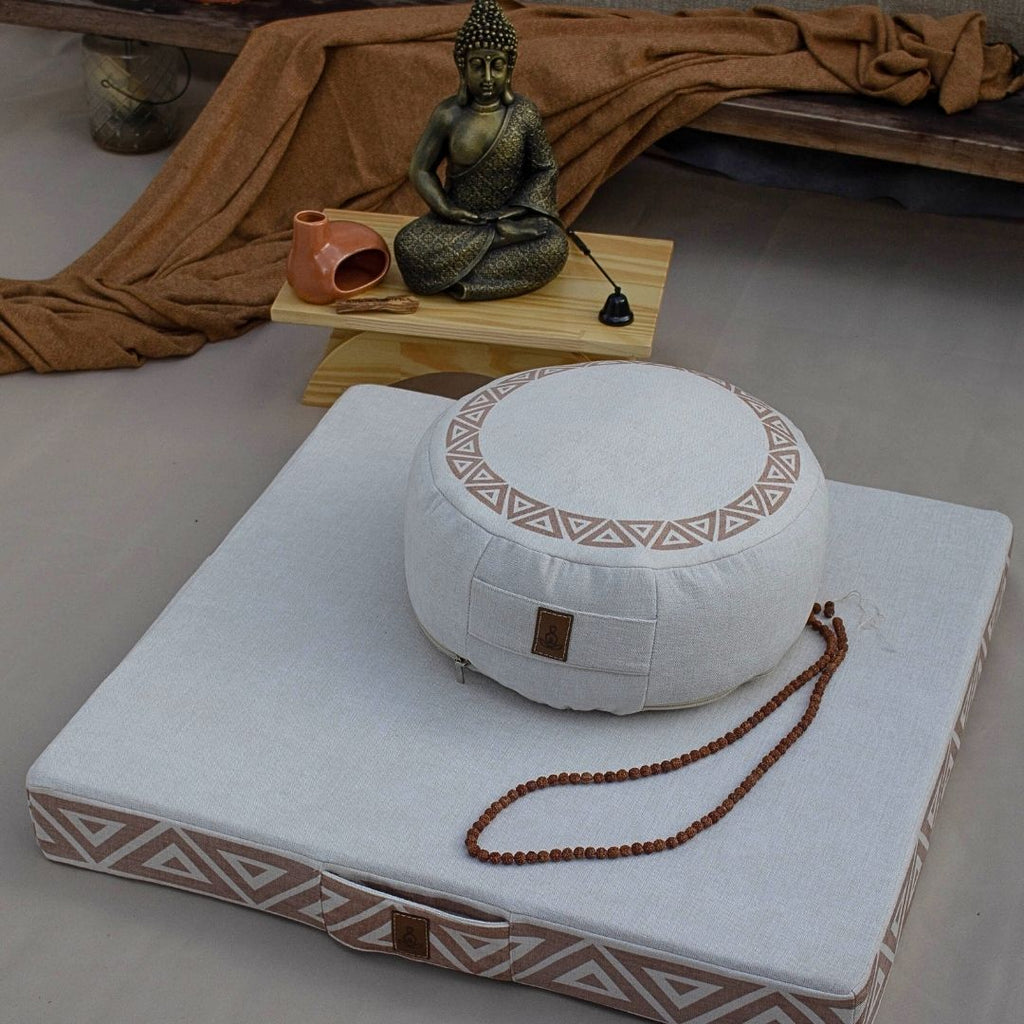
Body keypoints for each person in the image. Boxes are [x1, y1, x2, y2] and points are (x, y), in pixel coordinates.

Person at [394, 0, 568, 301]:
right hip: (458, 223)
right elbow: (420, 169)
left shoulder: (523, 113)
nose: (487, 77)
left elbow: (544, 168)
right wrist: (446, 209)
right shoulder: (448, 114)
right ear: (462, 67)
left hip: (510, 218)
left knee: (553, 247)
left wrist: (516, 211)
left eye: (496, 66)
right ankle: (493, 243)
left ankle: (457, 274)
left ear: (509, 68)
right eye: (477, 66)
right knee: (409, 248)